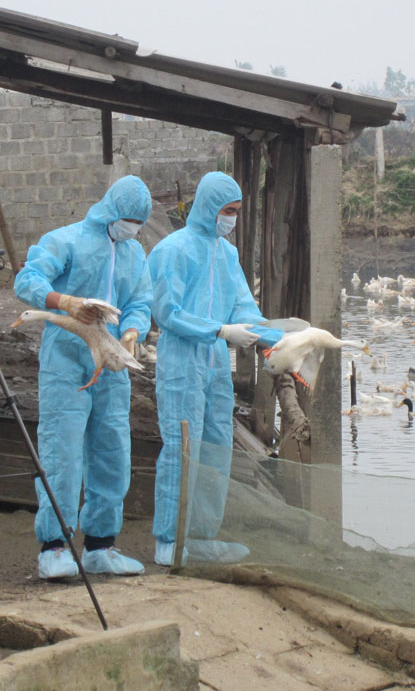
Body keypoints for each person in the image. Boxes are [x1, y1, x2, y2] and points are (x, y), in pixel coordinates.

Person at [14, 175, 153, 579]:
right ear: (111, 209)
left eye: (137, 223)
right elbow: (27, 280)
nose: (131, 228)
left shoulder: (134, 254)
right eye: (127, 219)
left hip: (111, 361)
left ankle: (100, 545)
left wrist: (131, 333)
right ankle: (54, 547)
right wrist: (65, 302)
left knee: (112, 450)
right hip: (66, 360)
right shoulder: (66, 240)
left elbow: (139, 301)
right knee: (63, 450)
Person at [149, 171, 282, 566]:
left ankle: (202, 537)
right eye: (228, 210)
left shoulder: (227, 254)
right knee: (181, 449)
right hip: (181, 365)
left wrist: (272, 338)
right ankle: (170, 541)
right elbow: (167, 311)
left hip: (215, 369)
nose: (232, 219)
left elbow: (242, 303)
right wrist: (219, 330)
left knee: (216, 450)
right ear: (208, 207)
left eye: (238, 212)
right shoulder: (173, 250)